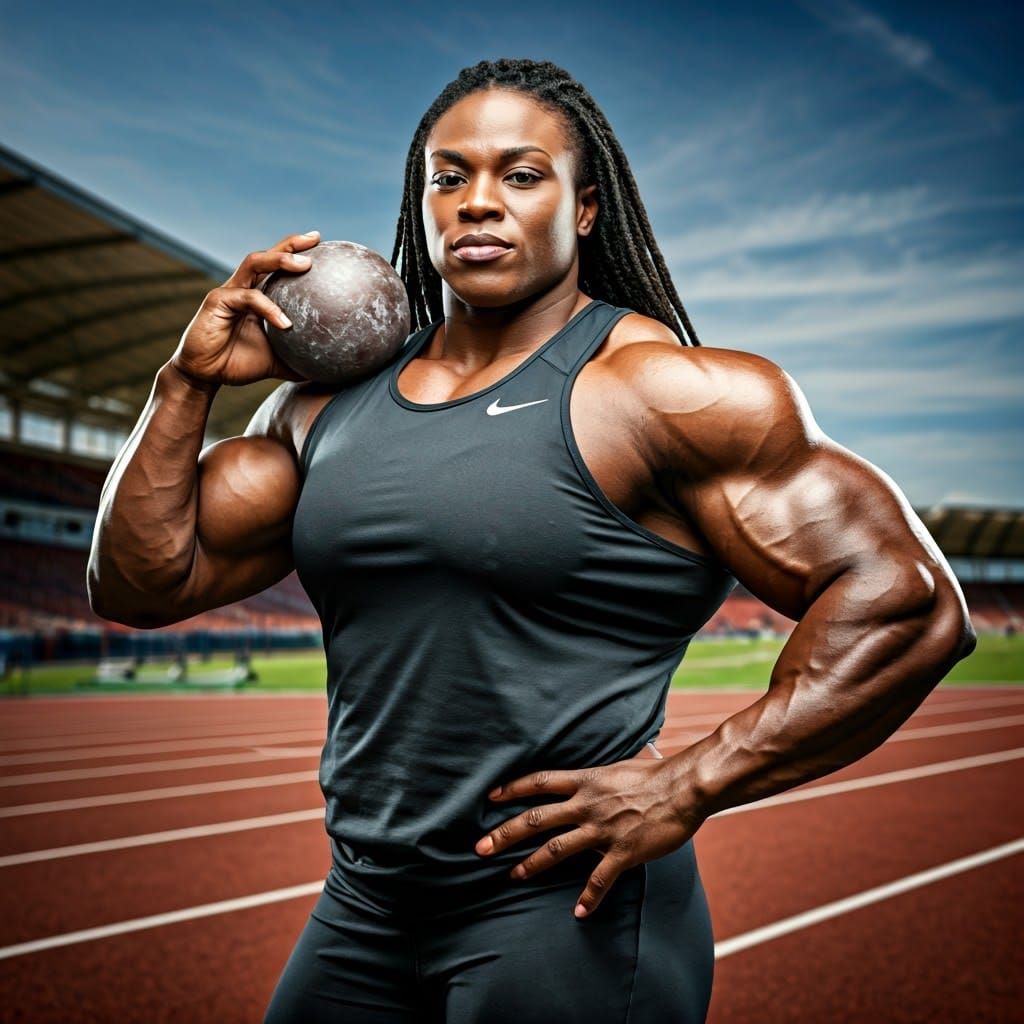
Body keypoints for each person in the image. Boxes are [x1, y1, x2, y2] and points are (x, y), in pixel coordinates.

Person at [87, 58, 976, 1023]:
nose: (476, 203)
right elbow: (142, 580)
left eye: (520, 175)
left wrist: (690, 780)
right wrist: (185, 382)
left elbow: (909, 599)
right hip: (363, 904)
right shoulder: (325, 408)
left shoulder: (662, 394)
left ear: (586, 209)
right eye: (448, 176)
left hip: (561, 912)